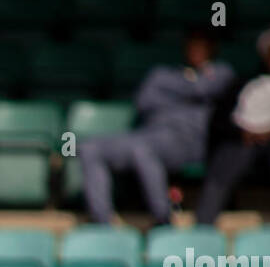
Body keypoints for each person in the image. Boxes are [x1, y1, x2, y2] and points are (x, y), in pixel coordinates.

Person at [80, 28, 233, 225]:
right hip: (147, 135)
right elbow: (143, 101)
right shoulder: (162, 73)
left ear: (212, 50)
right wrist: (188, 92)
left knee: (141, 149)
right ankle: (102, 222)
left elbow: (202, 87)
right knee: (88, 148)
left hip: (187, 143)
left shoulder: (222, 72)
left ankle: (162, 217)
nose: (196, 51)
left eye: (202, 47)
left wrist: (174, 91)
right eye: (192, 46)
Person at [195, 24, 270, 226]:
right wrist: (242, 133)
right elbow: (219, 121)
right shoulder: (242, 83)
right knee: (224, 161)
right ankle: (203, 226)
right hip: (243, 140)